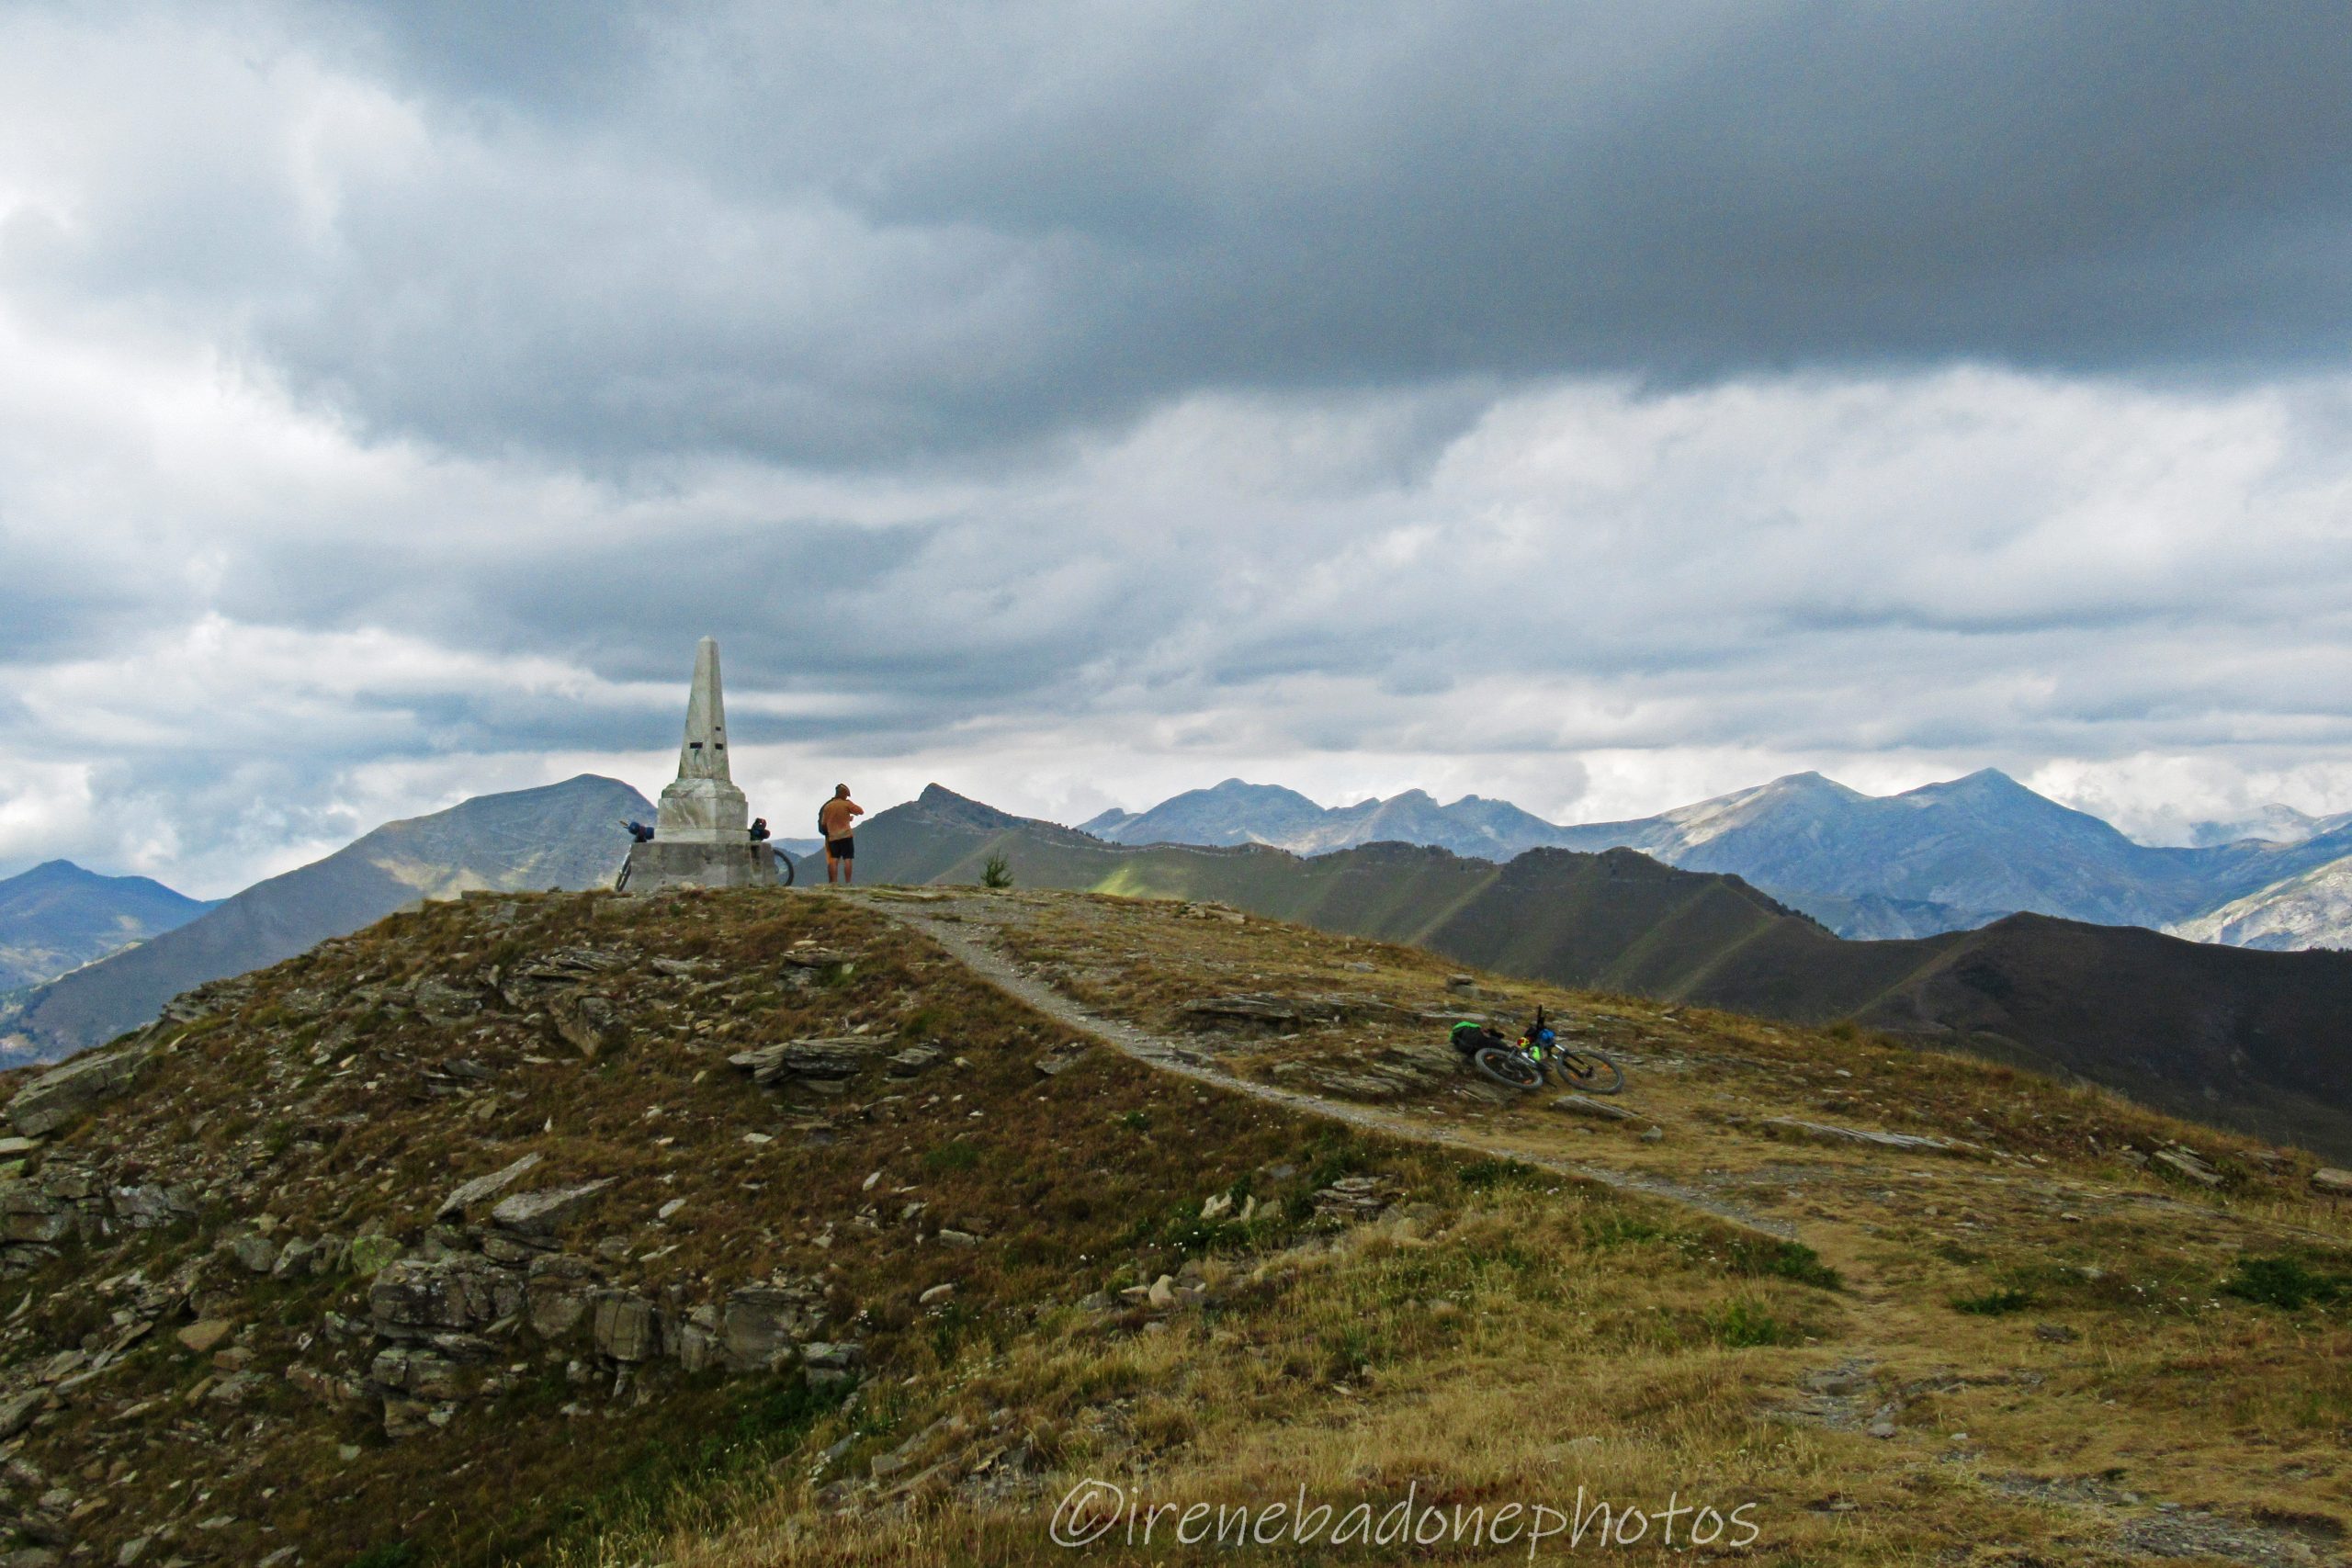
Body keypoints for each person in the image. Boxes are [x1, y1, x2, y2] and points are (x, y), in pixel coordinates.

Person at [817, 784, 863, 885]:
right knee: (848, 858)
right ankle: (848, 883)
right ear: (843, 794)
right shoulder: (846, 804)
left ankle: (834, 883)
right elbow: (861, 811)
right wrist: (848, 815)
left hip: (833, 837)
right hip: (846, 835)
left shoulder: (828, 806)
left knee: (834, 859)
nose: (847, 797)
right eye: (846, 795)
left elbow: (824, 823)